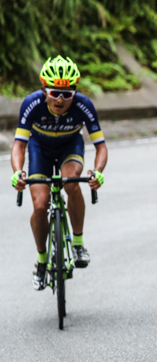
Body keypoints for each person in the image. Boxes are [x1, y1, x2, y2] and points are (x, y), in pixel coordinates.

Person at [10, 56, 107, 290]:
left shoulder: (83, 105)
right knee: (41, 204)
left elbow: (100, 146)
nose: (61, 99)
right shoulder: (31, 104)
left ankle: (78, 243)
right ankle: (42, 260)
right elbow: (19, 145)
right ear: (44, 89)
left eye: (67, 93)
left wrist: (98, 171)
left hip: (69, 148)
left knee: (70, 182)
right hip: (39, 150)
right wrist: (17, 172)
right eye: (54, 92)